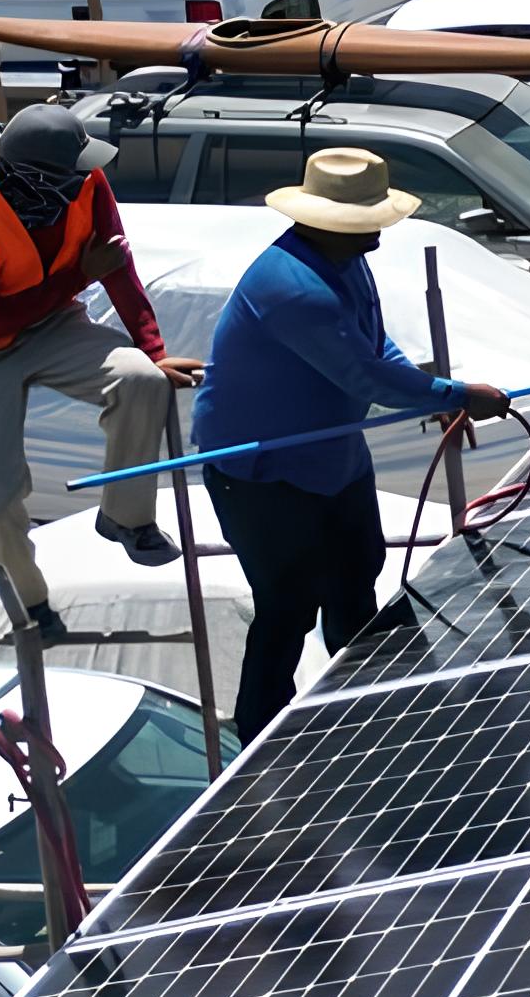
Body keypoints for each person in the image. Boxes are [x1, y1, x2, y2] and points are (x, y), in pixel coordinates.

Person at [194, 147, 510, 745]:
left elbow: (373, 347)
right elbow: (364, 379)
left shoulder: (344, 262)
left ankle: (372, 709)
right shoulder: (293, 286)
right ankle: (260, 743)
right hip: (263, 470)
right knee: (288, 605)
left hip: (331, 458)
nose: (378, 234)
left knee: (356, 575)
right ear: (328, 221)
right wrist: (456, 391)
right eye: (368, 221)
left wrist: (436, 395)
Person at [0, 105, 194, 635]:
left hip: (48, 327)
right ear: (39, 177)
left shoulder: (85, 183)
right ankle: (29, 602)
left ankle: (125, 518)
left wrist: (152, 351)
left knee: (142, 382)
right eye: (76, 168)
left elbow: (116, 265)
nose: (88, 174)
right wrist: (79, 277)